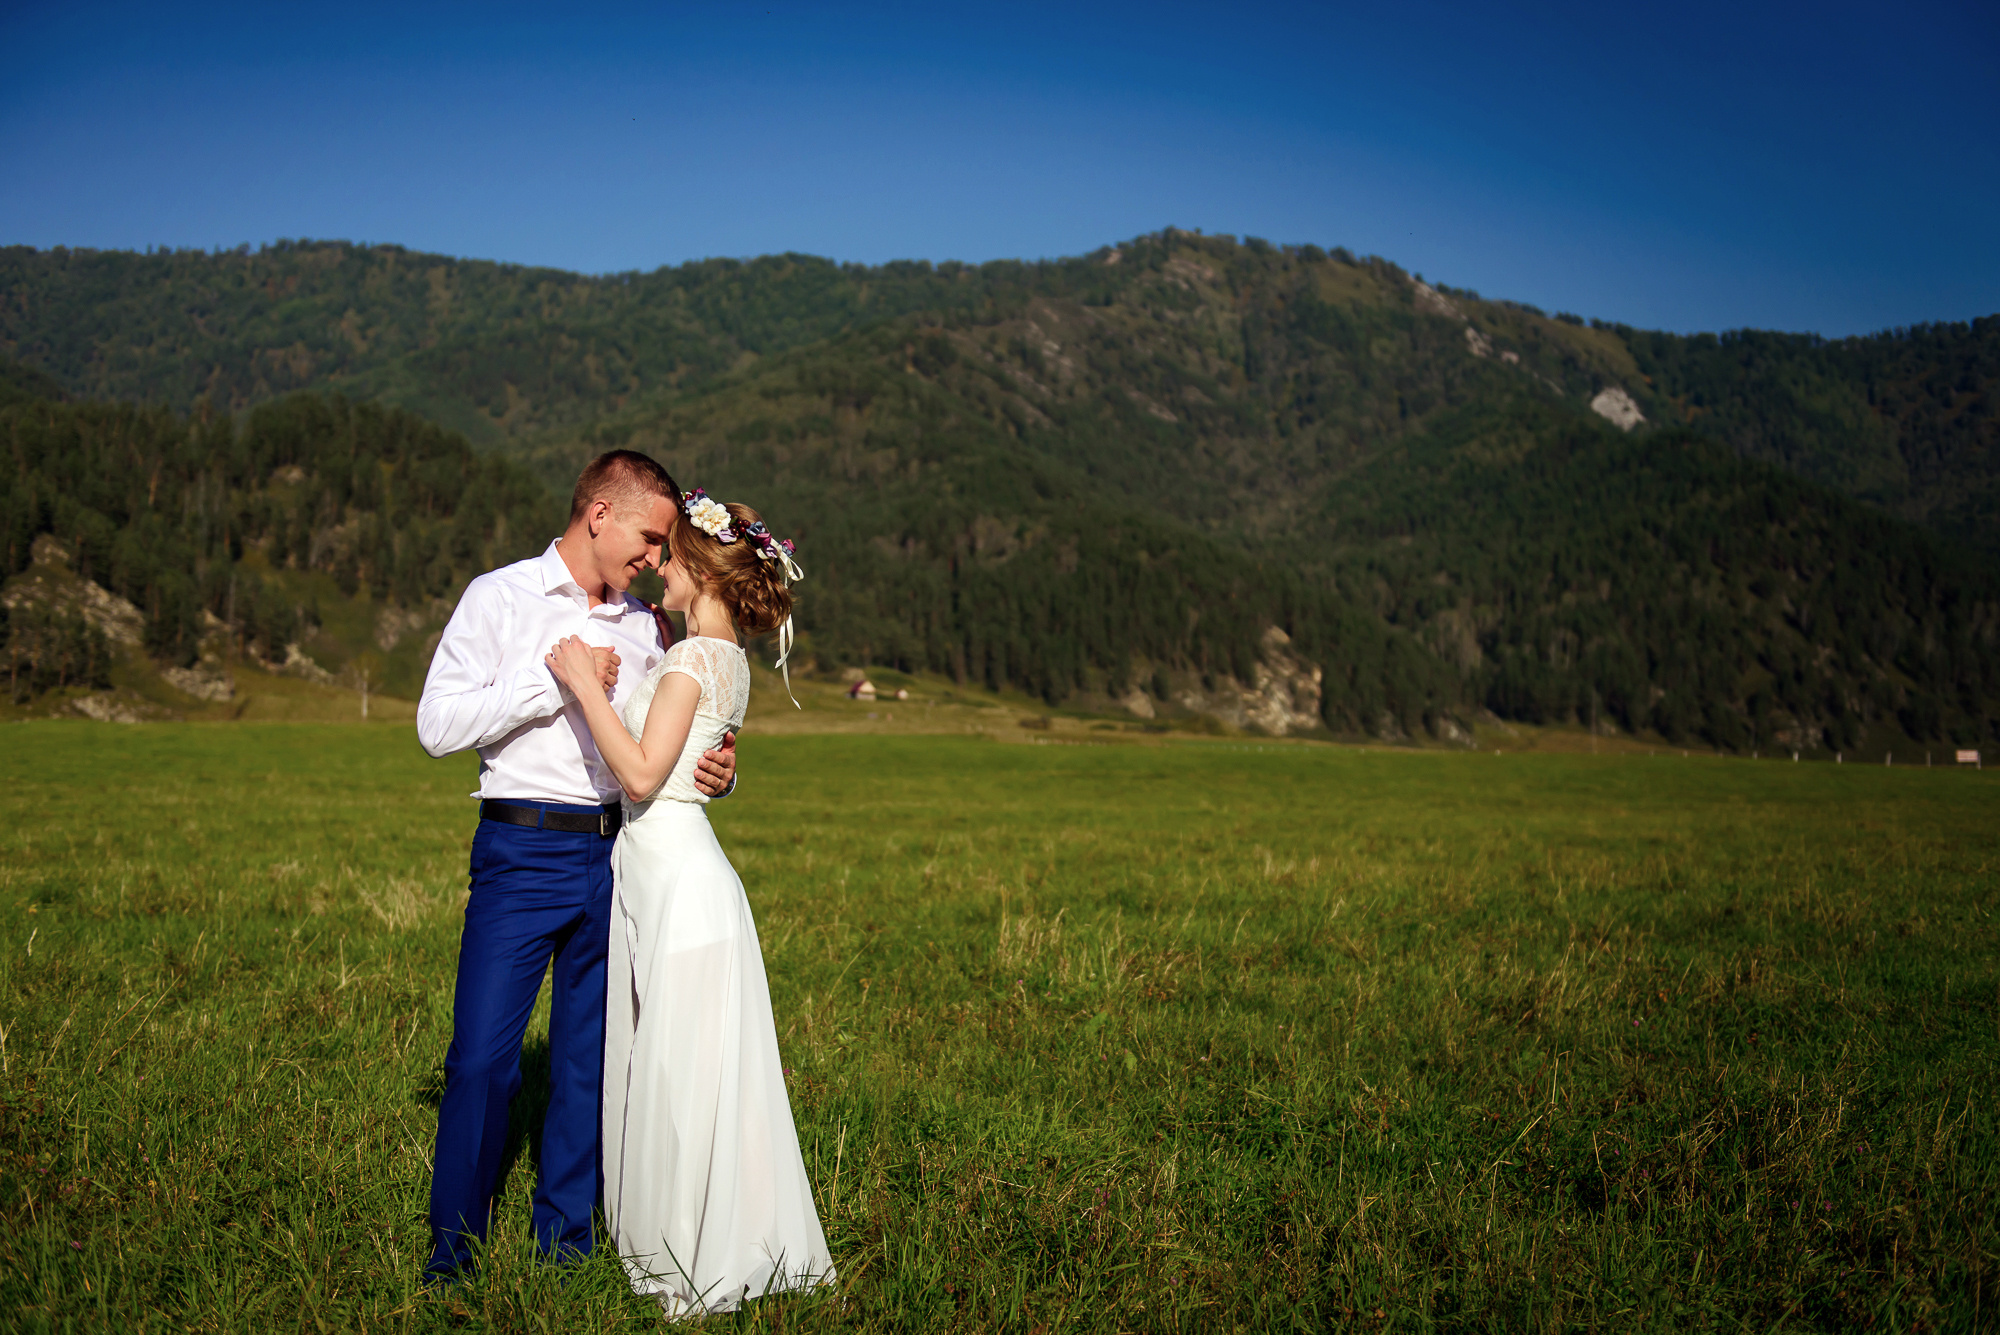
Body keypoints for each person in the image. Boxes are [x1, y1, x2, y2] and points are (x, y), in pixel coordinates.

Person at [415, 450, 739, 1282]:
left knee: (589, 1062)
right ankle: (453, 1256)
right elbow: (437, 724)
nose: (655, 558)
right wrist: (548, 682)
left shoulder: (646, 625)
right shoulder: (499, 597)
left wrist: (721, 767)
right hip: (521, 851)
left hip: (618, 852)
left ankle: (563, 1249)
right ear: (599, 513)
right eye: (649, 536)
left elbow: (665, 738)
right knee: (483, 1059)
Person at [543, 486, 834, 1316]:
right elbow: (693, 761)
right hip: (679, 873)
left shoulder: (687, 661)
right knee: (698, 1070)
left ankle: (679, 1252)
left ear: (700, 564)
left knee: (676, 1069)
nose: (657, 567)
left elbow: (640, 775)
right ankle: (705, 1232)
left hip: (676, 879)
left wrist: (581, 685)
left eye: (669, 555)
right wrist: (723, 772)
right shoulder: (726, 658)